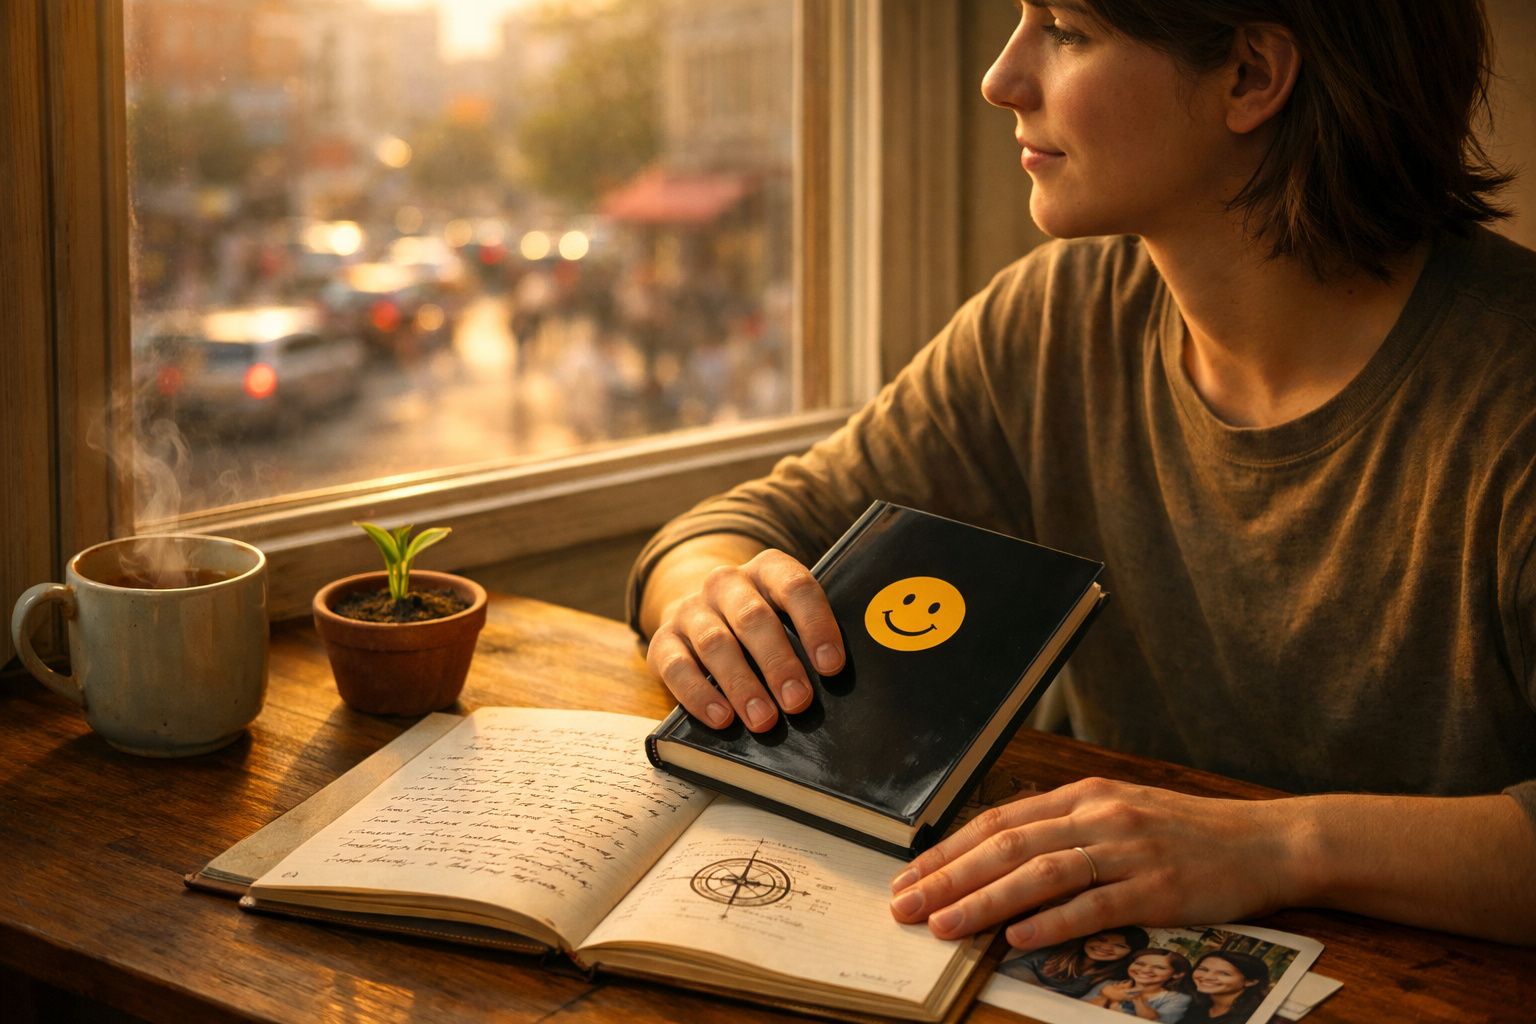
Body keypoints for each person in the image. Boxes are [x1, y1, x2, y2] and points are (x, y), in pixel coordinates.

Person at [628, 0, 1536, 953]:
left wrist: (1279, 845)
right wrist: (706, 597)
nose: (1001, 79)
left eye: (1065, 30)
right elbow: (753, 520)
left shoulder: (1508, 390)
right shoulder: (1057, 317)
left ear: (1252, 78)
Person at [996, 926, 1149, 997]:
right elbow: (1014, 967)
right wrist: (1038, 988)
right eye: (1100, 939)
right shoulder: (1057, 952)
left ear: (1131, 953)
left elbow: (1094, 999)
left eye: (1119, 946)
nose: (1105, 948)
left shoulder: (1119, 975)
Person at [1082, 947, 1192, 1022]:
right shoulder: (1109, 984)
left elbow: (1159, 1022)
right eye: (1139, 964)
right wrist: (1105, 996)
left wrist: (1137, 998)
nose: (1145, 970)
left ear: (1177, 974)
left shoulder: (1178, 999)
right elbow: (1079, 1009)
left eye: (1159, 967)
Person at [1177, 951, 1270, 1024]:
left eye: (1224, 973)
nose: (1207, 977)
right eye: (1203, 969)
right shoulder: (1193, 1005)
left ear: (1250, 982)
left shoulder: (1257, 1015)